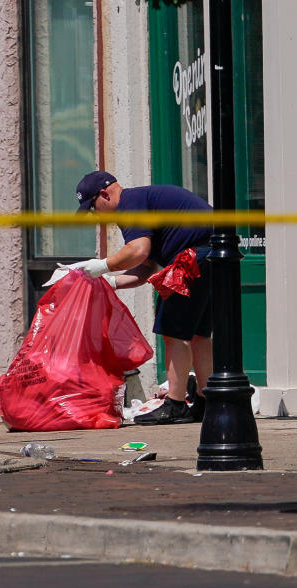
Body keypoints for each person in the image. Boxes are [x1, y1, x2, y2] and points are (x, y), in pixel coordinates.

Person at [66, 170, 213, 425]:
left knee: (174, 333)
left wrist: (103, 265)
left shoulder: (129, 205)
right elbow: (146, 267)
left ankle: (176, 404)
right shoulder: (139, 202)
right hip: (211, 256)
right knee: (198, 334)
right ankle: (207, 401)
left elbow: (138, 250)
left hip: (193, 258)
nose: (94, 214)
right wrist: (110, 282)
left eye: (93, 207)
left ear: (105, 195)